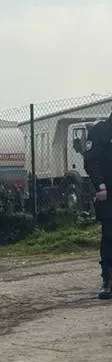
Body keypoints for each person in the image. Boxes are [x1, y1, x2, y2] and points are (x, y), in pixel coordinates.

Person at [82, 116, 112, 299]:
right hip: (108, 191)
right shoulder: (100, 131)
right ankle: (108, 280)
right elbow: (91, 161)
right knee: (109, 235)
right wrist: (100, 185)